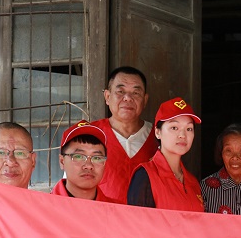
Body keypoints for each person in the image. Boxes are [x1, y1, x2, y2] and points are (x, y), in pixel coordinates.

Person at [91, 66, 157, 204]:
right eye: (120, 92)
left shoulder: (160, 136)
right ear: (107, 96)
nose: (127, 98)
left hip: (147, 216)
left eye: (136, 93)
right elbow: (72, 187)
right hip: (100, 216)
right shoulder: (89, 134)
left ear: (145, 100)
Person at [126, 97, 204, 211]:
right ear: (158, 132)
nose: (182, 135)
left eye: (189, 129)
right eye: (174, 128)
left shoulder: (193, 182)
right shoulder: (145, 176)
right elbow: (137, 221)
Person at [52, 121, 110, 202]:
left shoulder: (118, 208)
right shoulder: (42, 207)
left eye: (97, 158)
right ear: (62, 161)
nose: (89, 165)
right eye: (79, 157)